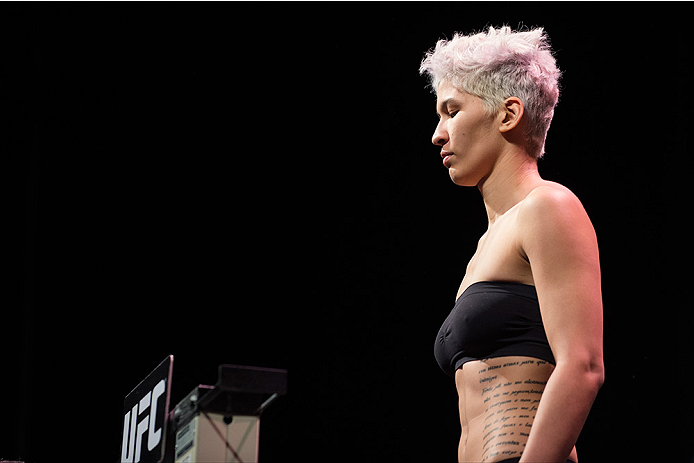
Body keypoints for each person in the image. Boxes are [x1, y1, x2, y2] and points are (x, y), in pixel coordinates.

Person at [420, 26, 604, 463]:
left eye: (451, 111)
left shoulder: (549, 207)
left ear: (507, 115)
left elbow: (582, 367)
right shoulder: (485, 246)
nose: (437, 134)